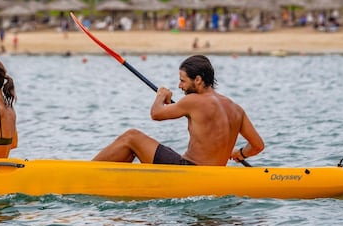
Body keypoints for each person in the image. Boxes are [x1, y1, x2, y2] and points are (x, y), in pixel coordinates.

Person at [92, 54, 264, 167]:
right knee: (140, 146)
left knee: (131, 137)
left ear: (197, 79)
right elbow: (257, 146)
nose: (179, 86)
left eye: (182, 80)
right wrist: (239, 154)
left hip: (189, 171)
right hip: (213, 176)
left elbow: (156, 114)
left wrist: (161, 95)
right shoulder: (236, 109)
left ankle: (85, 171)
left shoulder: (194, 100)